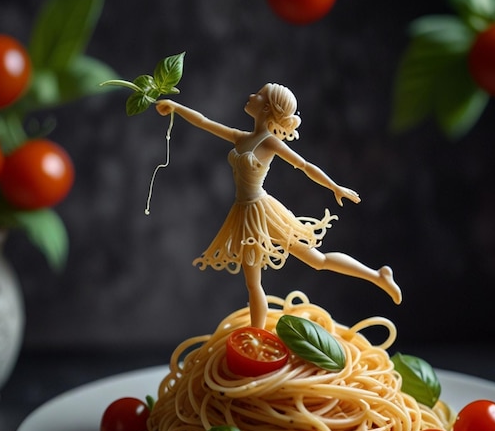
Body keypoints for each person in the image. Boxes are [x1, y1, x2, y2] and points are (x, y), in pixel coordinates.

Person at [156, 83, 401, 329]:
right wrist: (176, 107)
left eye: (259, 94)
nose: (251, 95)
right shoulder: (241, 138)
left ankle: (377, 276)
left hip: (264, 212)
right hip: (245, 213)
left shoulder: (270, 143)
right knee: (254, 283)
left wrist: (335, 187)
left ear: (267, 108)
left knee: (316, 261)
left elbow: (305, 165)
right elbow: (204, 121)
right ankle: (257, 337)